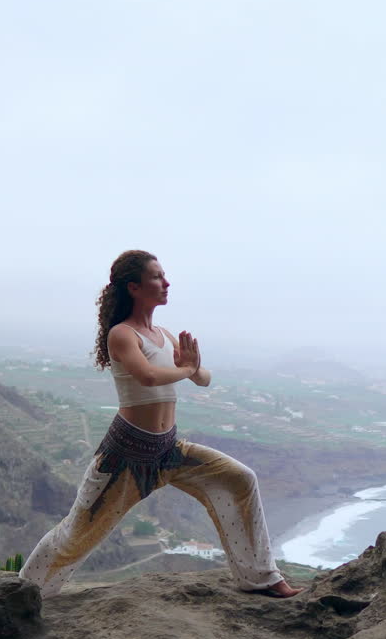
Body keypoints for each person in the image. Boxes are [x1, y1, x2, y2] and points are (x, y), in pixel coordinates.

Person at [19, 250, 303, 599]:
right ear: (135, 287)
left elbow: (204, 379)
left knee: (240, 480)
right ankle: (25, 592)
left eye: (164, 275)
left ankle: (261, 578)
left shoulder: (165, 335)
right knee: (76, 535)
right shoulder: (122, 335)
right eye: (157, 277)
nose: (166, 283)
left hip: (168, 449)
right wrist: (185, 370)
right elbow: (149, 376)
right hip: (124, 457)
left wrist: (194, 367)